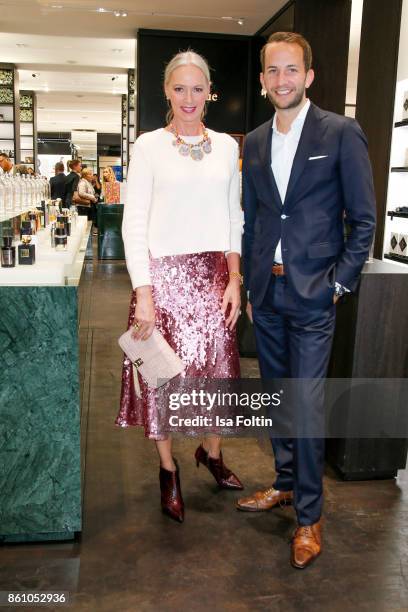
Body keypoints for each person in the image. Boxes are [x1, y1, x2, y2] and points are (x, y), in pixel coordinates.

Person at [238, 32, 376, 569]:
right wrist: (252, 285)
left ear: (309, 76)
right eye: (273, 71)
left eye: (291, 70)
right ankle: (286, 484)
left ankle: (310, 518)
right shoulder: (252, 141)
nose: (281, 80)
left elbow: (364, 218)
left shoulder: (341, 132)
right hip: (267, 293)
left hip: (316, 295)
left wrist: (340, 283)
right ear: (263, 79)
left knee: (308, 404)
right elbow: (252, 219)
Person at [117, 50, 244, 523]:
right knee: (164, 381)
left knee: (216, 378)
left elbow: (235, 217)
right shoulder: (148, 146)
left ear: (208, 92)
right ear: (167, 91)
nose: (189, 98)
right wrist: (144, 292)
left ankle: (210, 455)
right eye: (179, 88)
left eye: (198, 88)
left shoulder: (228, 148)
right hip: (162, 282)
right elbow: (135, 225)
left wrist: (234, 278)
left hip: (214, 280)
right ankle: (168, 470)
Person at [77, 167, 98, 234]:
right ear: (85, 175)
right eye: (90, 174)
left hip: (87, 207)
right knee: (86, 228)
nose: (92, 176)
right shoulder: (83, 182)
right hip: (84, 207)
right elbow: (81, 193)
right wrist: (92, 197)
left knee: (88, 227)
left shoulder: (87, 182)